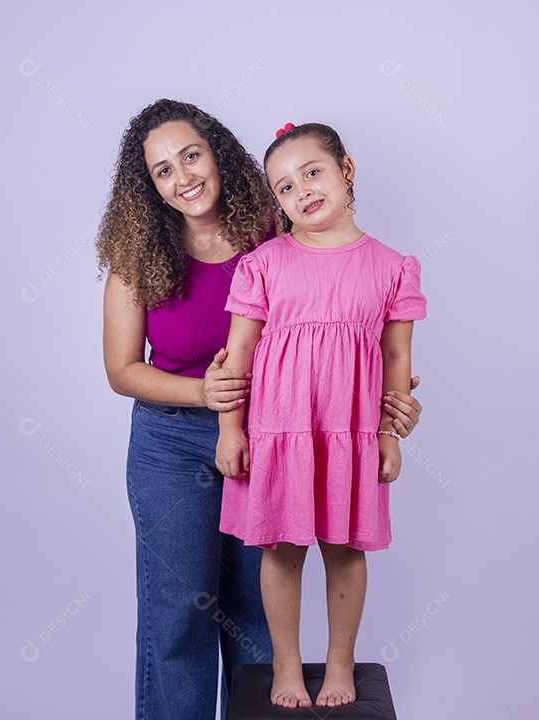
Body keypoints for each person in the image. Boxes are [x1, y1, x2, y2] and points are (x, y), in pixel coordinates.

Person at [96, 100, 424, 720]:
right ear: (149, 188)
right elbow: (122, 371)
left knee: (254, 607)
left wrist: (390, 407)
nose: (183, 176)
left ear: (217, 153)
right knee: (180, 605)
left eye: (191, 155)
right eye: (163, 170)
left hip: (276, 434)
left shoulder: (278, 236)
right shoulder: (138, 261)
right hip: (174, 440)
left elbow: (350, 331)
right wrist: (207, 396)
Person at [216, 122, 427, 708]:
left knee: (345, 548)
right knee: (281, 550)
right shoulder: (262, 264)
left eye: (312, 172)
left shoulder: (392, 266)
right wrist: (231, 428)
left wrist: (389, 434)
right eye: (283, 187)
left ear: (346, 170)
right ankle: (285, 667)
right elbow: (238, 356)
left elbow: (395, 356)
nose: (302, 191)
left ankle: (340, 666)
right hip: (279, 429)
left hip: (350, 432)